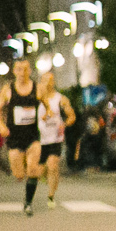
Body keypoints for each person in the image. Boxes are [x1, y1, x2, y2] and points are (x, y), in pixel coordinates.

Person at [0, 58, 45, 215]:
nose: (23, 73)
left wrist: (48, 114)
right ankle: (24, 171)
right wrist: (1, 126)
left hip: (32, 135)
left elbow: (48, 106)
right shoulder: (8, 89)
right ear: (14, 71)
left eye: (26, 69)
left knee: (33, 169)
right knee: (19, 174)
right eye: (19, 69)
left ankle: (28, 203)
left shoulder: (37, 89)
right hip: (15, 136)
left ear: (30, 71)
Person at [34, 70, 76, 209]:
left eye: (51, 80)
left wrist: (64, 124)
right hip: (40, 139)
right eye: (45, 80)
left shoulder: (60, 99)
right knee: (39, 171)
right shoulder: (36, 99)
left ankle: (51, 195)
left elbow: (71, 116)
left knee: (53, 165)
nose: (48, 83)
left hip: (55, 138)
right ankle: (47, 176)